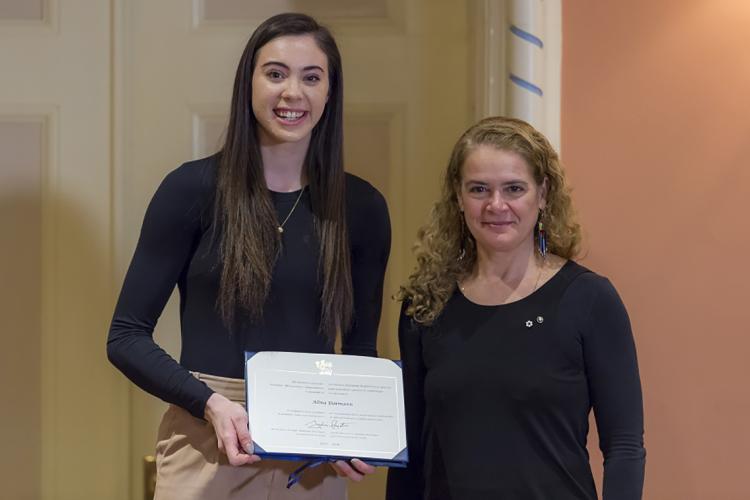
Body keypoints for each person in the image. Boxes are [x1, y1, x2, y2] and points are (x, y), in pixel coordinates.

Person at [107, 13, 390, 499]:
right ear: (249, 83)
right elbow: (125, 337)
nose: (292, 93)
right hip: (207, 442)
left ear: (330, 92)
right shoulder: (191, 190)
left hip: (312, 463)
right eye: (275, 73)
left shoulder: (361, 207)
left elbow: (361, 350)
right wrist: (211, 404)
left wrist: (354, 429)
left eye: (311, 77)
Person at [386, 116, 645, 500]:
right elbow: (410, 451)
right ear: (458, 197)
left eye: (514, 188)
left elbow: (624, 446)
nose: (496, 205)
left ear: (542, 194)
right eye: (478, 189)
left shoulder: (590, 300)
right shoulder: (426, 304)